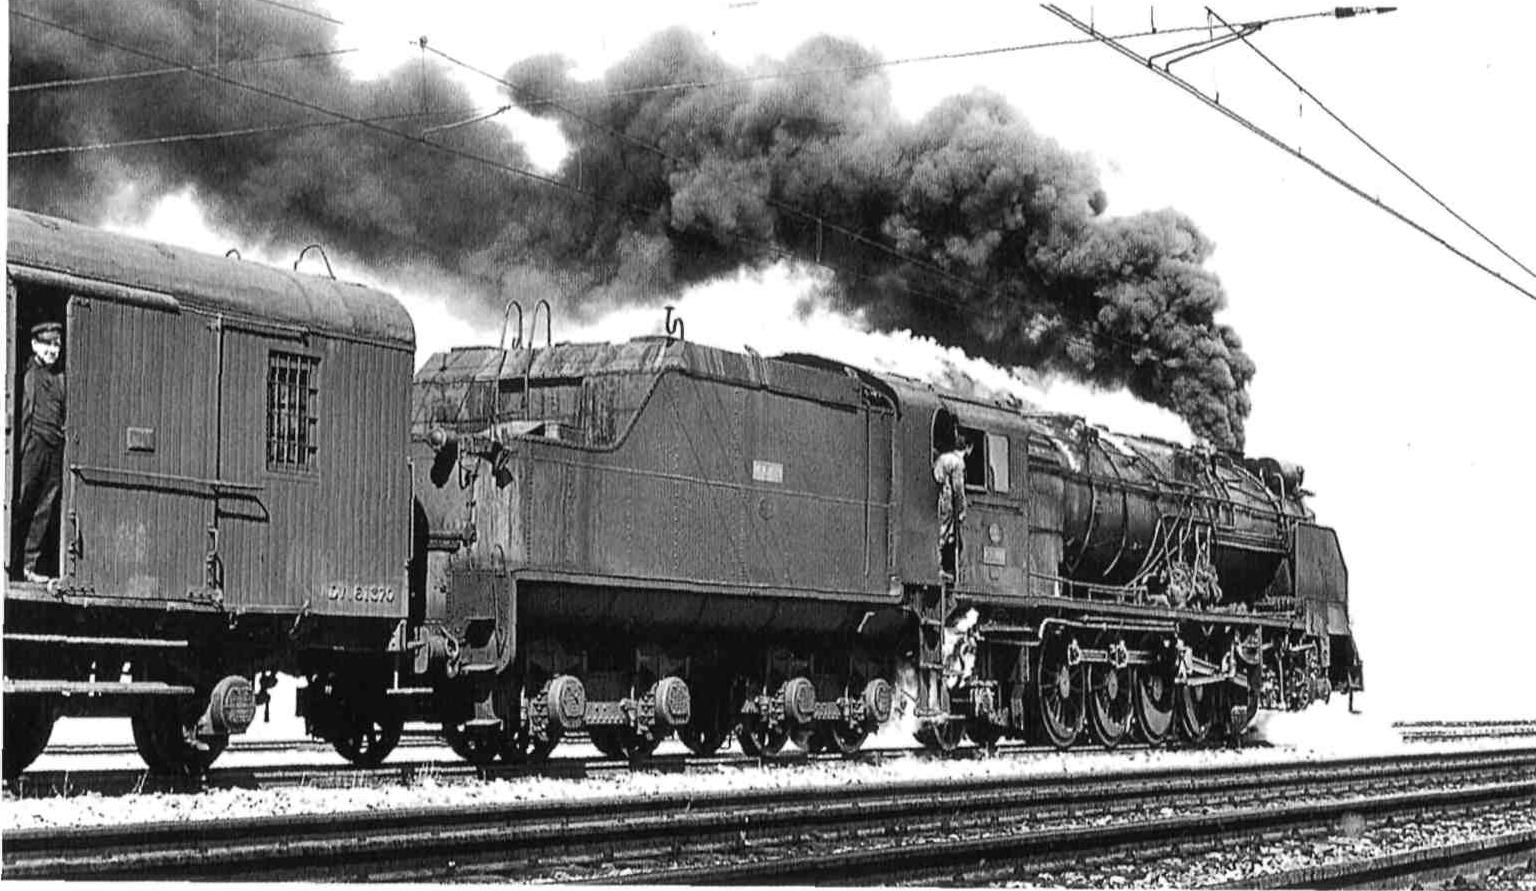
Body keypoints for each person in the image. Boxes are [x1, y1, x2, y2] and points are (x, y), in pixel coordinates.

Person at [12, 321, 66, 583]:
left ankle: (28, 566)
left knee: (44, 508)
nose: (52, 349)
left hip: (53, 448)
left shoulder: (61, 378)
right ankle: (11, 562)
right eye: (47, 344)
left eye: (56, 344)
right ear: (34, 345)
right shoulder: (28, 374)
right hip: (33, 446)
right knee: (24, 502)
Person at [934, 435, 972, 582]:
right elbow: (958, 488)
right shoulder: (958, 462)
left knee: (942, 530)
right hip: (947, 497)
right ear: (966, 448)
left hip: (940, 494)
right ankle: (941, 567)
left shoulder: (943, 457)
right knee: (945, 532)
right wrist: (962, 510)